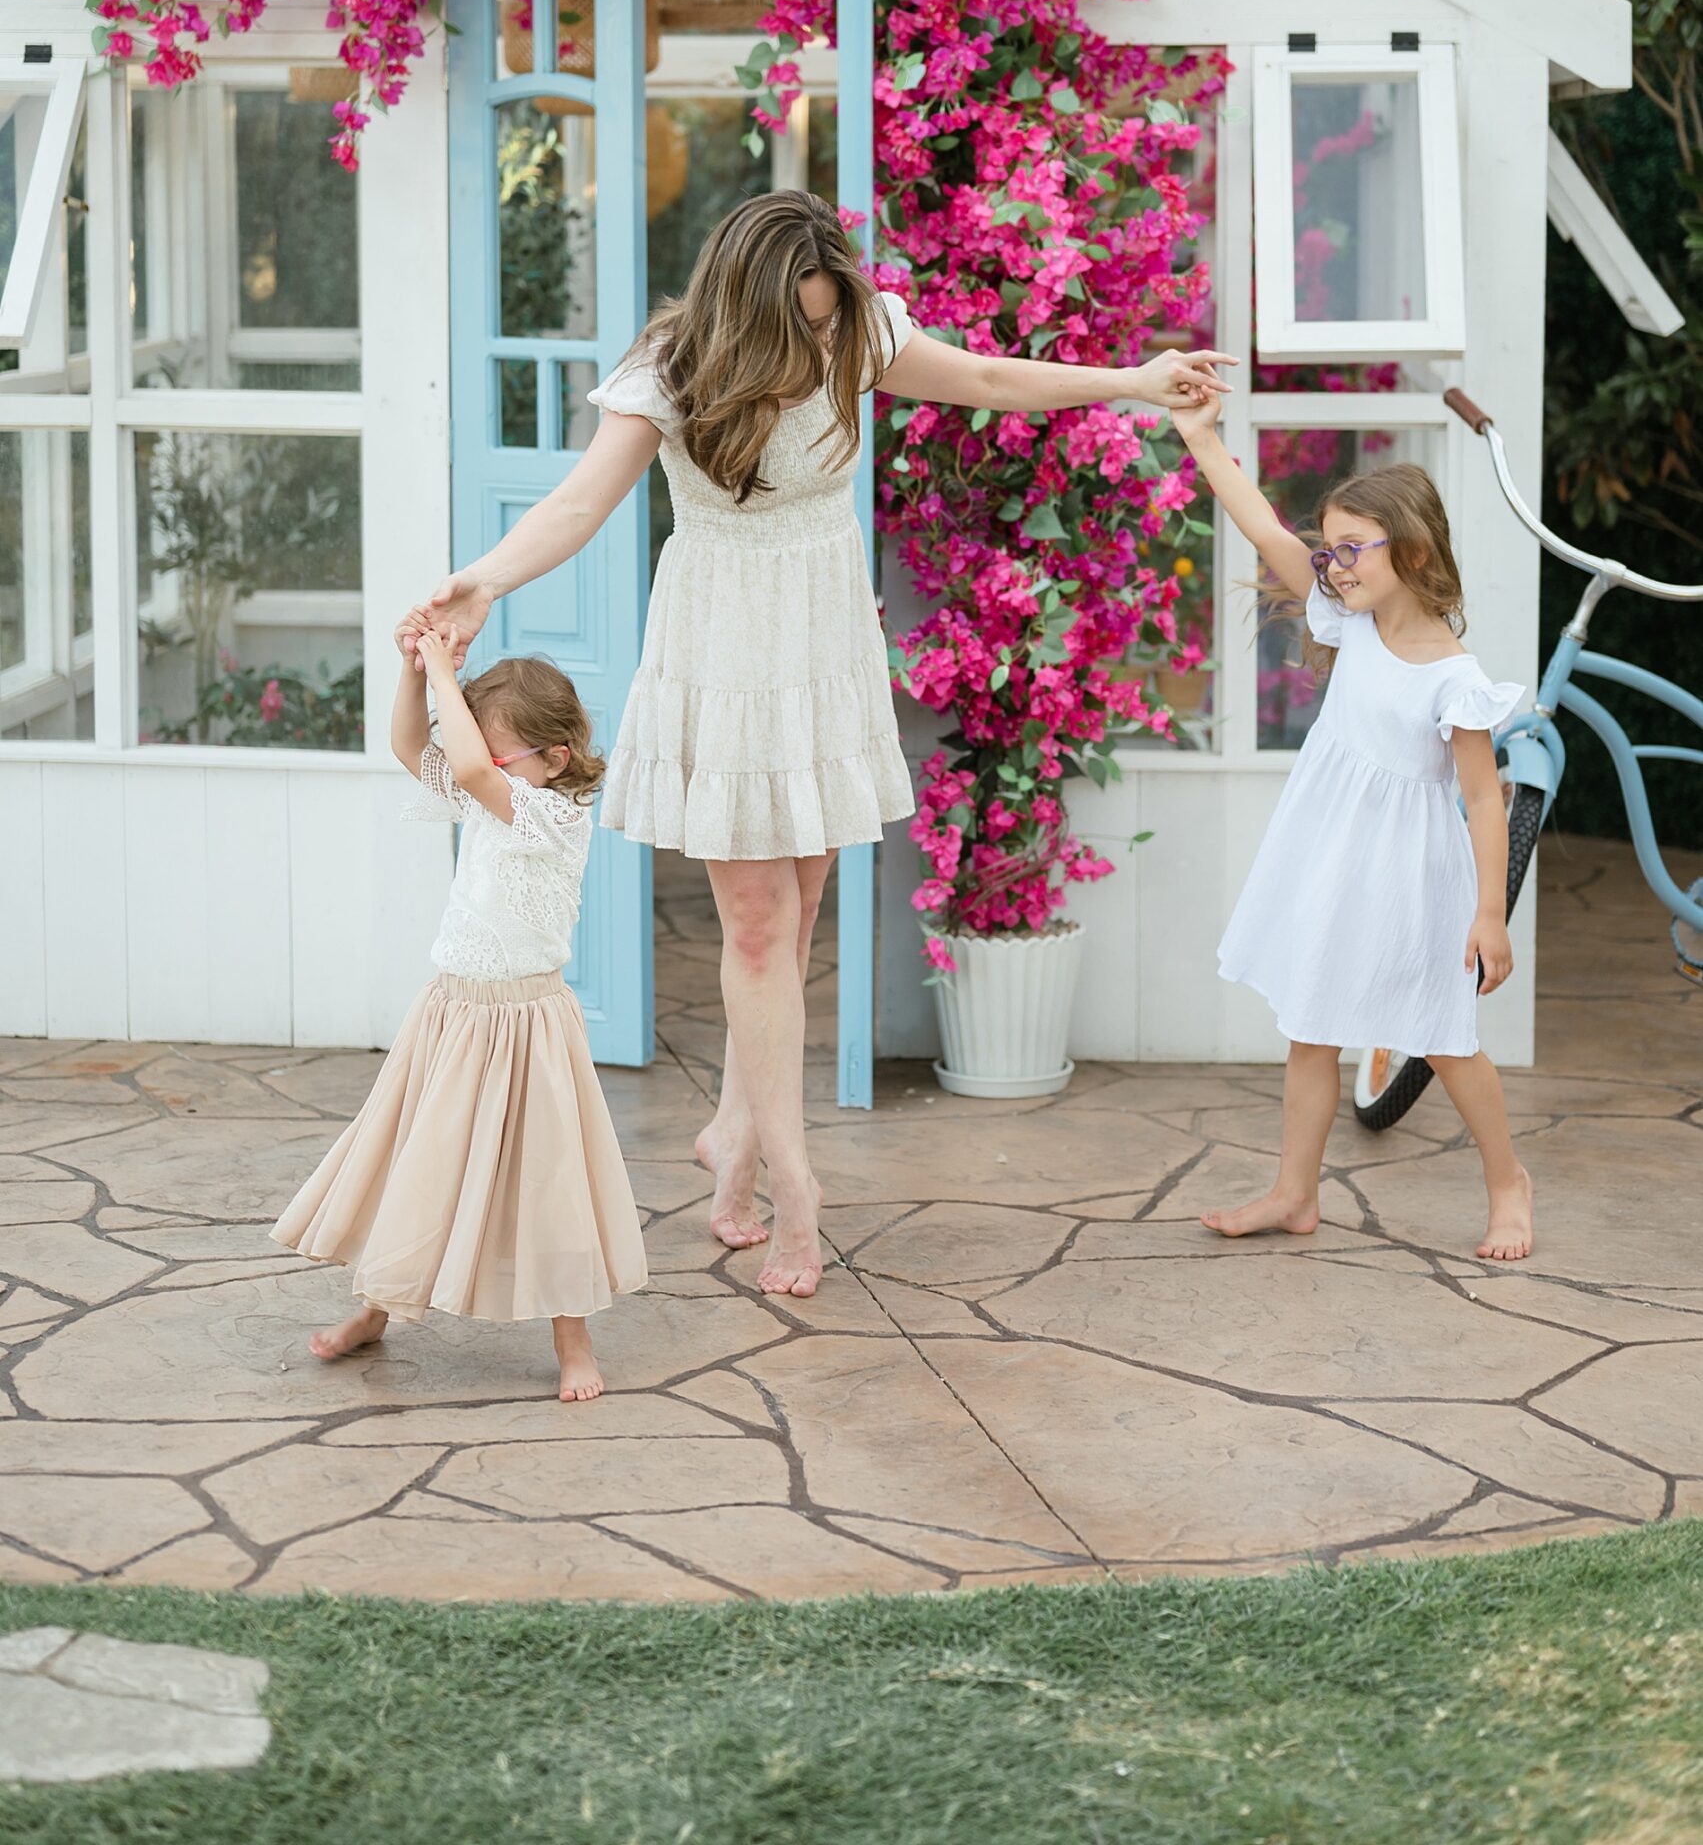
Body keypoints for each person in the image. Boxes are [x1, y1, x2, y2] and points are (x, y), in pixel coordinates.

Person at [405, 190, 1232, 1299]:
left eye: (827, 316)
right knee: (757, 923)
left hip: (822, 641)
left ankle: (731, 1138)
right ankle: (791, 1182)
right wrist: (482, 581)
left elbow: (987, 379)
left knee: (795, 912)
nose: (818, 339)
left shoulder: (860, 327)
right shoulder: (670, 366)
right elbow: (578, 503)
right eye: (796, 320)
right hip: (726, 642)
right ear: (745, 307)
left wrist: (1130, 382)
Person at [1176, 390, 1533, 1261]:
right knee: (1310, 1026)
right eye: (1327, 548)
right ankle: (1295, 1194)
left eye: (1349, 549)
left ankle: (1508, 1184)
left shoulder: (1455, 678)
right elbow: (1261, 526)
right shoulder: (1348, 622)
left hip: (1412, 872)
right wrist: (1200, 435)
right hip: (1330, 856)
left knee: (1442, 1041)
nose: (1329, 565)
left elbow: (1484, 800)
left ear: (1407, 551)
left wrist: (1489, 913)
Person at [271, 631, 647, 1401]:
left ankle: (573, 1341)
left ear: (557, 756)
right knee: (419, 1162)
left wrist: (447, 668)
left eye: (498, 754)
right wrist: (417, 674)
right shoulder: (495, 791)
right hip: (453, 1013)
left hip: (525, 1024)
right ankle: (376, 1309)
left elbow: (473, 769)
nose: (479, 765)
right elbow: (411, 743)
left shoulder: (551, 816)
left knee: (549, 1179)